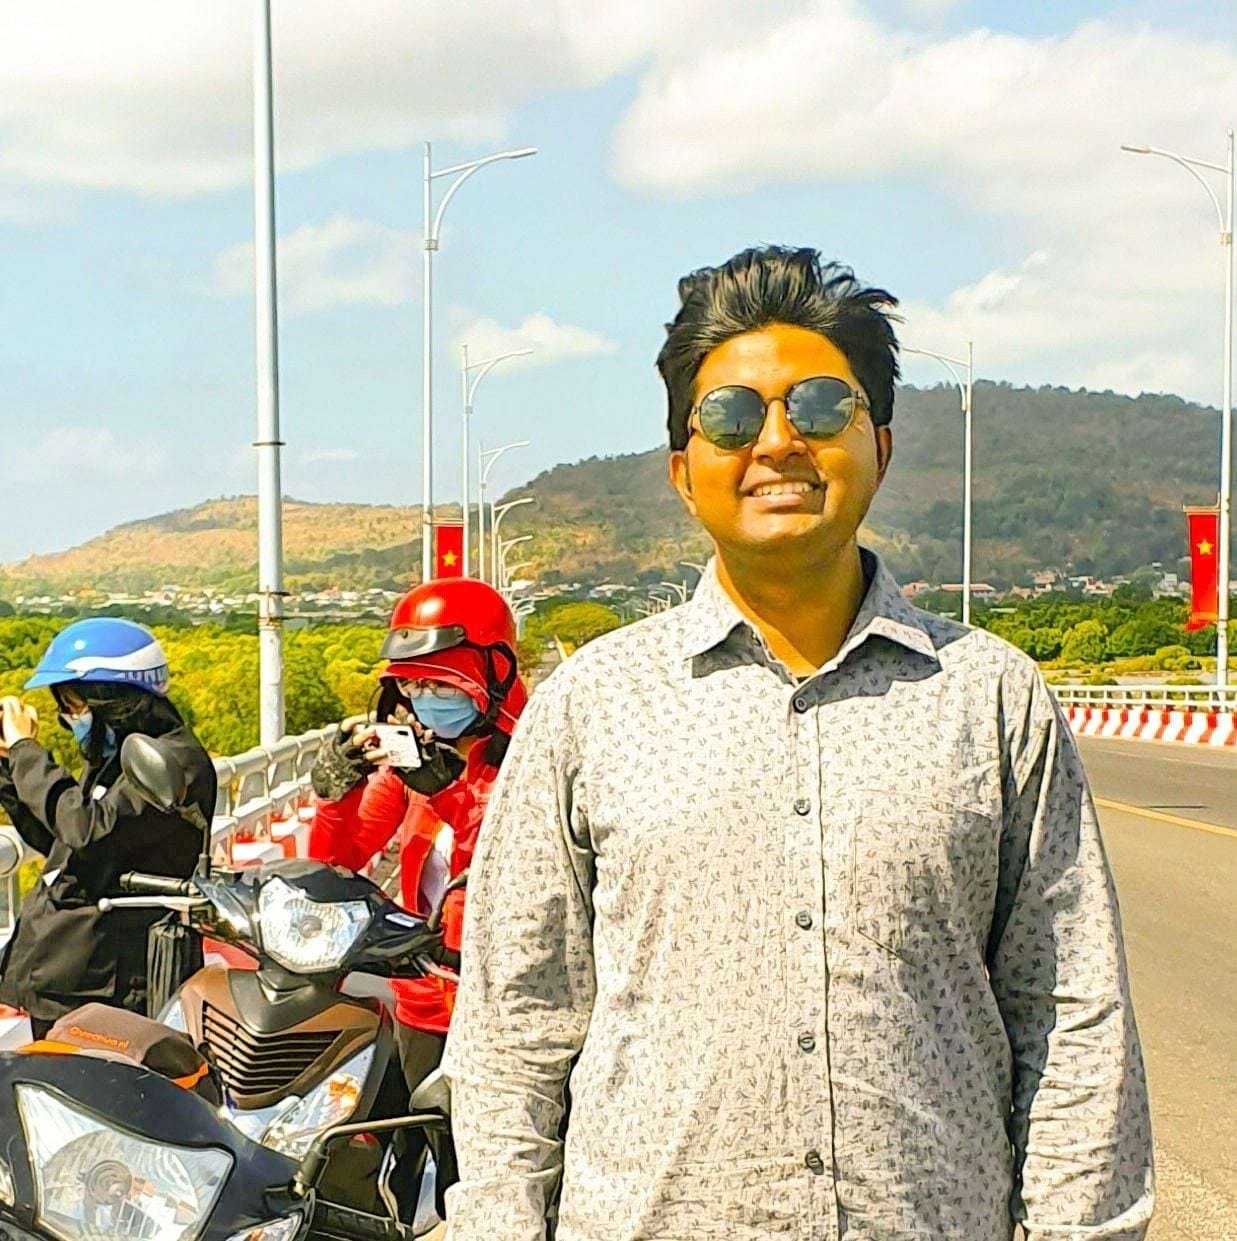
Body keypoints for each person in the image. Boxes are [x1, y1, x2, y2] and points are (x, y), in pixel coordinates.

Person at [442, 246, 1154, 1240]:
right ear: (683, 471)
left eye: (819, 408)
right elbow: (514, 1027)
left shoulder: (990, 697)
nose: (778, 441)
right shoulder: (592, 705)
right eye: (732, 417)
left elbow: (1071, 1011)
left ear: (880, 446)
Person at [308, 577, 526, 1092]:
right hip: (425, 994)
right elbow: (337, 861)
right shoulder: (415, 766)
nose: (426, 700)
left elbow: (513, 858)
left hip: (507, 1001)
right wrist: (336, 795)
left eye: (443, 686)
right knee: (411, 1129)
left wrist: (448, 792)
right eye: (413, 687)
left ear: (492, 674)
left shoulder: (533, 758)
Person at [0, 618, 214, 1040]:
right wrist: (8, 769)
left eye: (74, 705)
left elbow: (85, 827)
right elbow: (61, 840)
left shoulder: (174, 761)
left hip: (111, 984)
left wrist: (27, 750)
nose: (68, 718)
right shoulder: (118, 757)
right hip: (69, 974)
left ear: (113, 700)